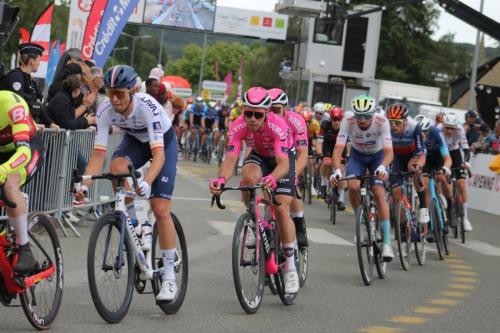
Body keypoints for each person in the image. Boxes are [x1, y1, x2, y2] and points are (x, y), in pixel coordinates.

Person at [74, 65, 179, 301]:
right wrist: (85, 185)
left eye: (120, 93)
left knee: (160, 208)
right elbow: (98, 155)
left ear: (132, 90)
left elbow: (159, 156)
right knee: (116, 168)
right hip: (135, 141)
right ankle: (134, 223)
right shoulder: (104, 110)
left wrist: (148, 182)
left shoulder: (147, 106)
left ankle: (170, 276)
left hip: (164, 144)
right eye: (111, 92)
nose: (114, 99)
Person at [209, 87, 299, 294]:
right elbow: (231, 158)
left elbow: (284, 163)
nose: (252, 119)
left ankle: (291, 266)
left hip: (281, 160)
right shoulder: (238, 125)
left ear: (267, 112)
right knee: (247, 179)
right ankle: (253, 219)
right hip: (259, 155)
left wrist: (272, 177)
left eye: (257, 115)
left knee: (282, 207)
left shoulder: (278, 125)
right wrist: (221, 179)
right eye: (248, 113)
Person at [330, 95, 394, 261]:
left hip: (377, 156)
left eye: (366, 117)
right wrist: (337, 170)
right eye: (359, 116)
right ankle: (362, 223)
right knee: (352, 186)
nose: (363, 120)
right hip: (357, 156)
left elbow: (389, 152)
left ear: (373, 114)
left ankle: (387, 243)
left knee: (379, 192)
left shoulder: (382, 121)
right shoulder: (347, 121)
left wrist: (383, 166)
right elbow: (338, 150)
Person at [0, 91, 45, 273]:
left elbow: (24, 153)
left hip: (27, 148)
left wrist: (3, 169)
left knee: (10, 184)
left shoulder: (12, 104)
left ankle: (25, 250)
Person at [268, 88, 309, 248]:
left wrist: (294, 177)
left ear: (285, 108)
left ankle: (298, 225)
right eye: (269, 110)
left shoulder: (296, 120)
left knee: (293, 187)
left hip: (291, 155)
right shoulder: (264, 120)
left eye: (276, 110)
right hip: (272, 155)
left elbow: (302, 153)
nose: (272, 114)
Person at [385, 103, 428, 228]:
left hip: (412, 155)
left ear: (405, 121)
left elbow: (422, 151)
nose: (393, 125)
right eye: (391, 122)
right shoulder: (385, 127)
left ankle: (423, 207)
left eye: (397, 122)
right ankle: (403, 228)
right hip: (396, 156)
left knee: (413, 169)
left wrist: (419, 165)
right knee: (397, 193)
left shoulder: (414, 127)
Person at [2, 43, 57, 129]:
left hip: (26, 126)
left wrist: (50, 123)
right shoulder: (16, 77)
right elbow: (18, 104)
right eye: (39, 61)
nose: (39, 64)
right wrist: (32, 124)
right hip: (12, 128)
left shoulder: (30, 80)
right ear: (31, 62)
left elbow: (38, 104)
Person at [416, 116, 453, 233]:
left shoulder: (436, 133)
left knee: (442, 178)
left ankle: (451, 206)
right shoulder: (414, 136)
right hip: (424, 159)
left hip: (437, 157)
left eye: (425, 132)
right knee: (425, 184)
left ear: (429, 131)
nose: (423, 135)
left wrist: (446, 167)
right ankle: (429, 223)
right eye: (420, 132)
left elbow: (447, 156)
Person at [442, 113, 473, 231]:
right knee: (443, 181)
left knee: (461, 184)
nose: (449, 131)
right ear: (443, 125)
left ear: (456, 127)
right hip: (443, 155)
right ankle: (444, 205)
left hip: (455, 154)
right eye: (447, 127)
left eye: (452, 128)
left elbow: (466, 149)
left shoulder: (460, 130)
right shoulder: (438, 130)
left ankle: (465, 219)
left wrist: (466, 161)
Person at [317, 106, 347, 209]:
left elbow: (348, 144)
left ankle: (341, 199)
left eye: (339, 119)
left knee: (341, 170)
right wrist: (320, 153)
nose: (337, 122)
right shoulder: (325, 124)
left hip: (340, 148)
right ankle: (323, 184)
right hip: (328, 147)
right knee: (327, 163)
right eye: (334, 119)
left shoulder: (345, 127)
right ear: (331, 119)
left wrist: (348, 155)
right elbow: (319, 142)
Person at [301, 109, 320, 196]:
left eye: (308, 122)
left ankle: (311, 184)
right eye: (305, 122)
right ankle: (300, 180)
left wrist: (316, 149)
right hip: (300, 142)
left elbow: (316, 139)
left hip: (310, 142)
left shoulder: (315, 124)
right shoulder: (298, 124)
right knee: (302, 163)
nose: (307, 124)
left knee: (311, 162)